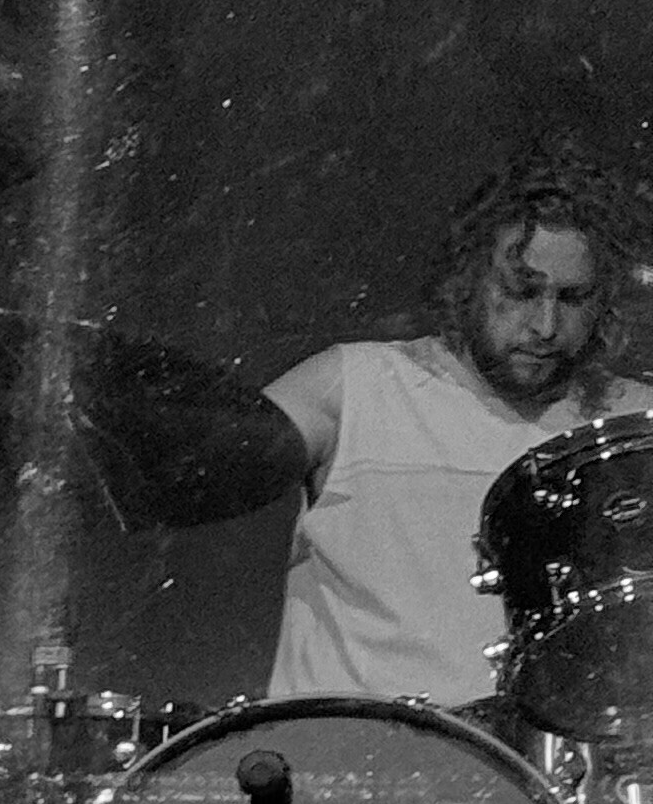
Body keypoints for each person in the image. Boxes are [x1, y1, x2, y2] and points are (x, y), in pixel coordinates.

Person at [263, 144, 649, 705]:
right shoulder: (352, 385)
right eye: (521, 292)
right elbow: (209, 466)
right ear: (469, 281)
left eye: (572, 298)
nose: (545, 325)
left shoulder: (633, 427)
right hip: (345, 752)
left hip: (546, 758)